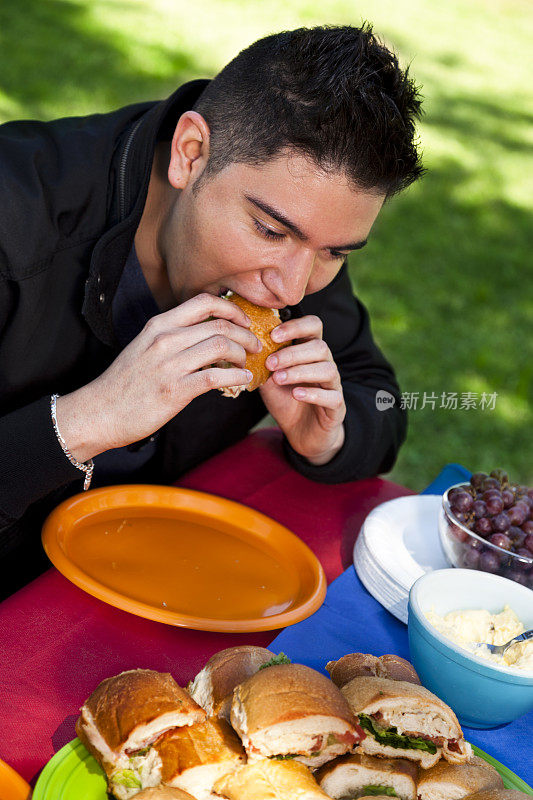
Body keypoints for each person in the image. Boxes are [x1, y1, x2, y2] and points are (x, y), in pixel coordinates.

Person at [0, 24, 423, 596]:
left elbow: (377, 391)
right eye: (270, 230)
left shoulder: (296, 254)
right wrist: (84, 421)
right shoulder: (14, 220)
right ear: (190, 153)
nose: (293, 288)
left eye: (336, 252)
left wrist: (326, 437)